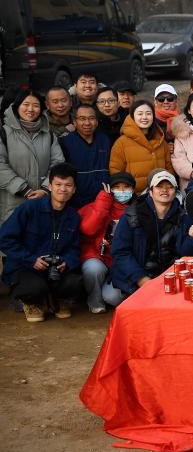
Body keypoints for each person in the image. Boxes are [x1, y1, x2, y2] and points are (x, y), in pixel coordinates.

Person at [0, 163, 82, 322]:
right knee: (34, 288)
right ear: (50, 187)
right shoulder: (29, 208)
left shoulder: (73, 216)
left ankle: (57, 299)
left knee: (76, 281)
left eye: (68, 185)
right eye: (58, 184)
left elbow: (75, 248)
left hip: (55, 270)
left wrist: (66, 262)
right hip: (26, 266)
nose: (63, 189)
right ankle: (31, 302)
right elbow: (5, 238)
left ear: (74, 189)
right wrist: (31, 259)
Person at [108, 169, 193, 299]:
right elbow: (120, 252)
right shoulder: (131, 216)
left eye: (169, 187)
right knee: (111, 298)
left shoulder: (184, 217)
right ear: (150, 192)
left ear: (176, 192)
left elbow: (186, 255)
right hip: (139, 276)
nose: (165, 190)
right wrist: (142, 279)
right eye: (159, 186)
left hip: (172, 276)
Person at [0, 89, 66, 222]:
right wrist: (23, 189)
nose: (30, 109)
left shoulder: (49, 135)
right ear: (17, 106)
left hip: (43, 200)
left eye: (36, 105)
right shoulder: (4, 133)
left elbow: (58, 164)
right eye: (26, 104)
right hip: (12, 201)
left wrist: (45, 189)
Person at [77, 172, 135, 314]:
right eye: (117, 187)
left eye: (126, 187)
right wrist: (104, 202)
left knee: (112, 298)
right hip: (98, 256)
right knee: (93, 269)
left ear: (133, 190)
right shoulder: (96, 205)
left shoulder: (137, 209)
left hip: (121, 261)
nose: (122, 191)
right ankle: (95, 301)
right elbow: (88, 229)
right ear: (109, 189)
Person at [109, 100, 173, 193]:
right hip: (134, 196)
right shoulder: (121, 143)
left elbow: (169, 168)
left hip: (159, 195)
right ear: (132, 117)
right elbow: (115, 171)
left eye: (148, 113)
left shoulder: (161, 141)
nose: (144, 117)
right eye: (140, 114)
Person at [60, 103, 111, 210]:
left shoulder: (105, 140)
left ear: (97, 121)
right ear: (75, 122)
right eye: (82, 119)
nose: (87, 123)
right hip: (76, 201)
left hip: (103, 198)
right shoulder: (65, 142)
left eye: (91, 118)